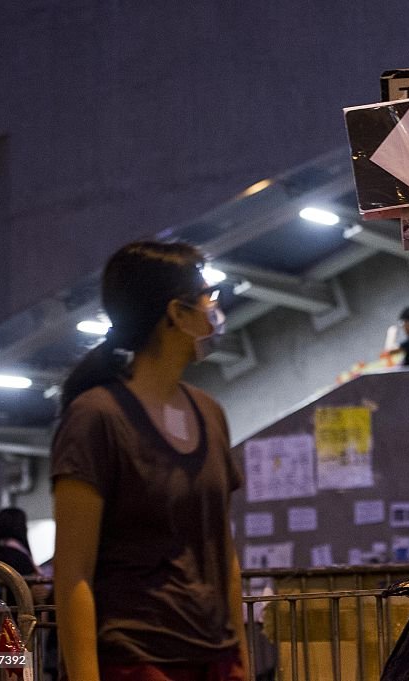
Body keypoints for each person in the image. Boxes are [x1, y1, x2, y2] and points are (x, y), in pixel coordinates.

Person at [51, 241, 246, 680]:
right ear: (176, 314)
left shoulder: (211, 414)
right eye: (206, 297)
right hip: (135, 659)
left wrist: (240, 659)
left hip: (216, 655)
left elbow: (224, 555)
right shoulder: (96, 418)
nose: (214, 308)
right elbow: (73, 572)